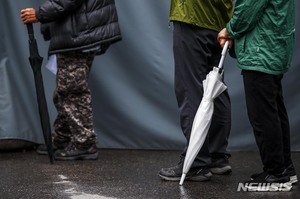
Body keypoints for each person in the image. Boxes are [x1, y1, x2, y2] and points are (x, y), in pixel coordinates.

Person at [20, 0, 122, 160]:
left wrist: (39, 14)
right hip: (82, 29)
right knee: (66, 88)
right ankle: (63, 136)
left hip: (79, 32)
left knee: (72, 90)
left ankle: (84, 143)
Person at [218, 0, 297, 191]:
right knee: (275, 111)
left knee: (263, 115)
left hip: (260, 51)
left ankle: (277, 174)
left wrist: (229, 30)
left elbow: (248, 8)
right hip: (273, 48)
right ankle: (284, 168)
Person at [158, 0, 234, 181]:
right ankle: (217, 157)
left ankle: (197, 162)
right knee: (216, 89)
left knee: (190, 90)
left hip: (193, 17)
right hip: (220, 22)